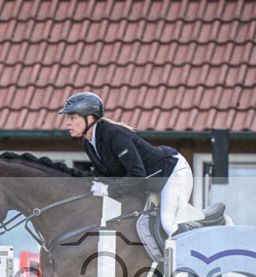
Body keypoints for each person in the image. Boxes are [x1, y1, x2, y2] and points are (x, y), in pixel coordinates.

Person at [59, 91, 194, 237]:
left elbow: (137, 174)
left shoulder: (115, 135)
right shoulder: (88, 142)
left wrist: (109, 191)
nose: (68, 123)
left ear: (89, 117)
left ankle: (188, 254)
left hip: (173, 173)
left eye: (72, 118)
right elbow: (105, 174)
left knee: (168, 224)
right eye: (68, 118)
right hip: (148, 184)